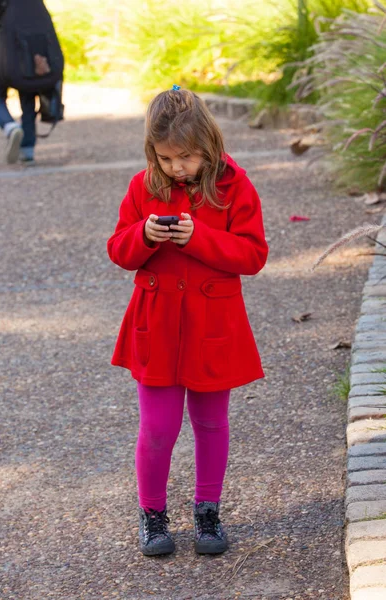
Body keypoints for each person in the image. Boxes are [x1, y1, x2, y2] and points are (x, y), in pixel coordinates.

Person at [107, 86, 268, 557]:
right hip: (156, 326)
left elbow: (254, 254)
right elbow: (118, 250)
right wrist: (144, 235)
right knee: (157, 427)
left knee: (212, 422)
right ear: (152, 153)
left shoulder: (235, 186)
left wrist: (198, 238)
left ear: (209, 145)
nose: (177, 167)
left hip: (212, 325)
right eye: (166, 158)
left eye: (188, 157)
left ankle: (207, 508)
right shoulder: (142, 186)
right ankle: (152, 513)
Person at [0, 0, 51, 164]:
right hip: (31, 53)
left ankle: (10, 127)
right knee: (28, 98)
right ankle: (28, 150)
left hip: (2, 51)